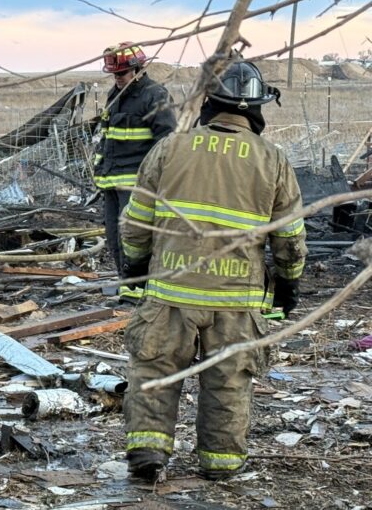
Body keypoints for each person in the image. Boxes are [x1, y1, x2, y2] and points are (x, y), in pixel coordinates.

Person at [119, 60, 307, 481]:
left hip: (170, 293)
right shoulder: (272, 160)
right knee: (228, 382)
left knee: (154, 372)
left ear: (210, 102)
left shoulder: (170, 148)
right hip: (235, 302)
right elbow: (290, 239)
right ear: (256, 109)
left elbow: (134, 224)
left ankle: (148, 453)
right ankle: (221, 462)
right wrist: (288, 285)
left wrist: (134, 267)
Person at [93, 42, 177, 302]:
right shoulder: (115, 95)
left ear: (138, 69)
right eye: (114, 75)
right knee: (114, 238)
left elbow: (166, 143)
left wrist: (156, 182)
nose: (117, 79)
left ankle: (141, 289)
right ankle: (127, 286)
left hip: (136, 186)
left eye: (121, 74)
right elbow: (108, 137)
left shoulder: (155, 96)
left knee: (135, 237)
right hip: (110, 182)